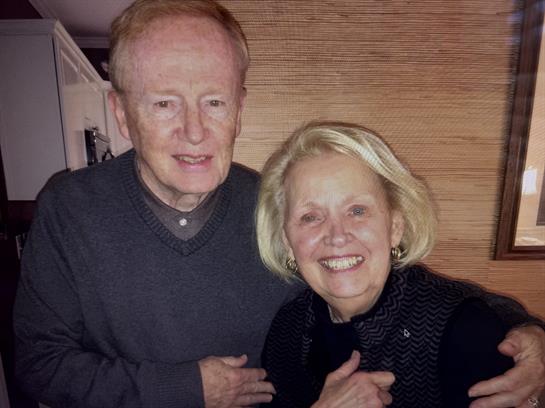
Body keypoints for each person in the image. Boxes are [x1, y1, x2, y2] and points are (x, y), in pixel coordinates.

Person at [12, 1, 545, 407]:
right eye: (165, 103)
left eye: (214, 101)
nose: (194, 130)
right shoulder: (69, 209)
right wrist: (186, 387)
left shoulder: (276, 206)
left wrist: (522, 328)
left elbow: (393, 284)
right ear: (122, 114)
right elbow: (37, 366)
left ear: (239, 109)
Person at [257, 121, 545, 407]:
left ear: (395, 227)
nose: (337, 236)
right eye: (310, 217)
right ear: (287, 242)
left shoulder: (466, 330)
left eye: (357, 211)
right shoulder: (287, 330)